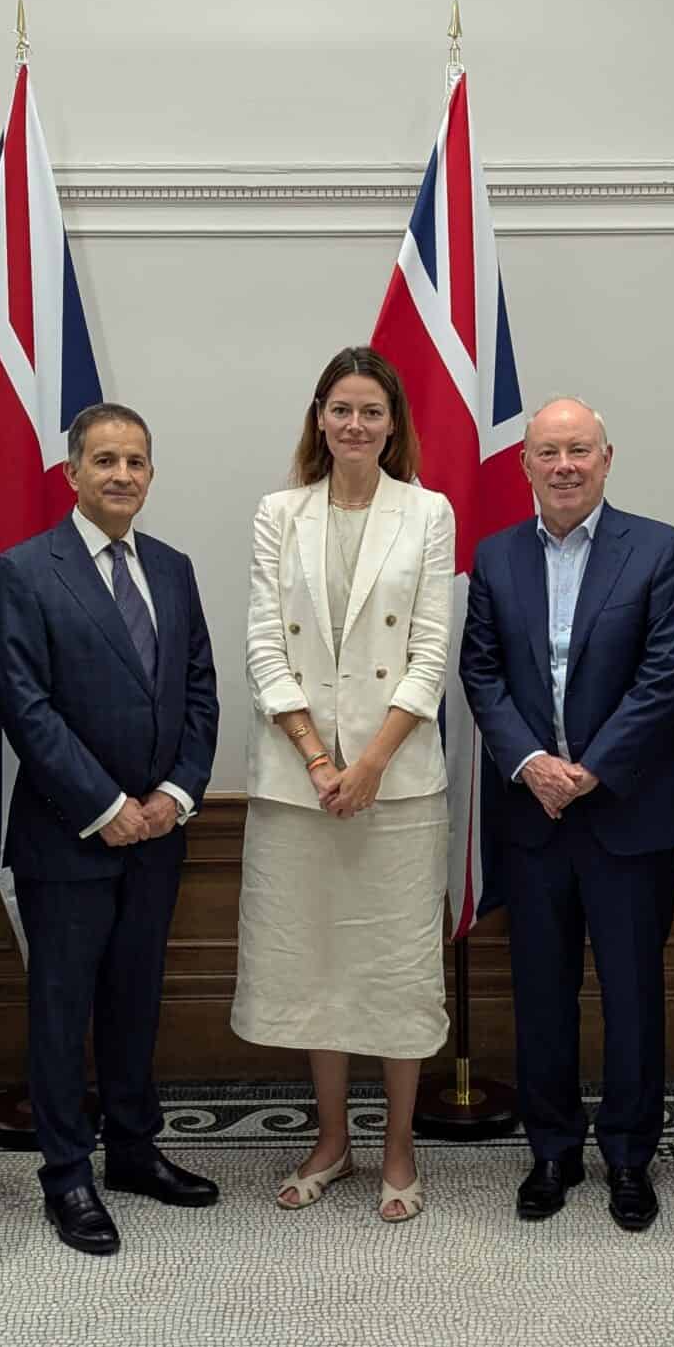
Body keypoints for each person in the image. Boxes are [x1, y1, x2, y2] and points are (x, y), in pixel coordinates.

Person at [0, 402, 221, 1257]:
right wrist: (105, 806)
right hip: (67, 836)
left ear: (150, 475)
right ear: (72, 473)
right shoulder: (24, 569)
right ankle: (66, 1175)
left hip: (160, 832)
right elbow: (25, 705)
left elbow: (200, 691)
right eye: (106, 461)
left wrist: (176, 796)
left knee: (135, 1000)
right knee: (61, 1009)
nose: (122, 475)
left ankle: (131, 1148)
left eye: (137, 462)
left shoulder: (173, 567)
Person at [460, 397, 674, 1232]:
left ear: (607, 458)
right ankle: (552, 1150)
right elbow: (480, 674)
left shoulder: (661, 551)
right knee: (541, 992)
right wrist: (532, 764)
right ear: (524, 464)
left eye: (580, 451)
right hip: (533, 816)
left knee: (633, 993)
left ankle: (631, 1157)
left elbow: (667, 675)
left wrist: (591, 770)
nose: (564, 466)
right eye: (549, 452)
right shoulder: (493, 559)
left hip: (628, 811)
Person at [232, 347, 458, 1223]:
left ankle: (398, 1144)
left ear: (393, 423)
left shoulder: (427, 512)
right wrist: (321, 760)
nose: (356, 425)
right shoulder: (278, 513)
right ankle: (333, 1138)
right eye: (341, 409)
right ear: (318, 419)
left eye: (372, 411)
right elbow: (262, 646)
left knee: (395, 971)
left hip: (396, 790)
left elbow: (430, 653)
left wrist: (367, 765)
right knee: (317, 969)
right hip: (299, 787)